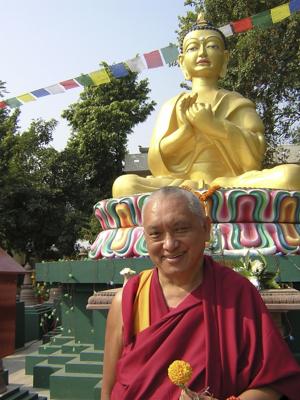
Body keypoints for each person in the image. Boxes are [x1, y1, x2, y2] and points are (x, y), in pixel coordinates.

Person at [101, 186, 300, 400]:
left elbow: (275, 383)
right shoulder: (129, 300)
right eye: (156, 234)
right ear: (145, 239)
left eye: (181, 229)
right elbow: (109, 389)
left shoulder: (236, 293)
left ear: (206, 228)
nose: (169, 244)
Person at [112, 15, 300, 198]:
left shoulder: (236, 102)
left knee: (290, 176)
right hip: (180, 185)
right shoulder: (172, 105)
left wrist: (214, 126)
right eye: (193, 48)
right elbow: (157, 164)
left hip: (231, 182)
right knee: (124, 185)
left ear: (225, 59)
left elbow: (254, 156)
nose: (202, 53)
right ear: (181, 62)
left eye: (211, 46)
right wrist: (184, 132)